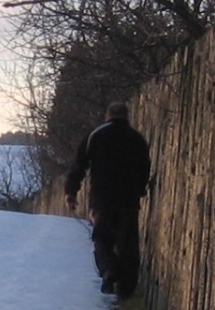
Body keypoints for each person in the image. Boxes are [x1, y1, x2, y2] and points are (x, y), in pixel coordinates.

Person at [64, 102, 152, 297]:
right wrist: (140, 189)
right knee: (128, 245)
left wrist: (71, 192)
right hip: (128, 200)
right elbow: (144, 167)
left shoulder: (95, 136)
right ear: (127, 116)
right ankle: (126, 289)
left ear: (107, 115)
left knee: (102, 239)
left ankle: (109, 271)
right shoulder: (136, 139)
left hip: (102, 199)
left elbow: (79, 166)